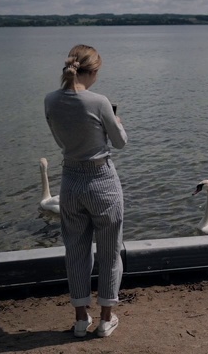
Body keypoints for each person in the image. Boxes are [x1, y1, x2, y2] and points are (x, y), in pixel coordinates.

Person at [44, 44, 128, 338]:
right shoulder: (99, 101)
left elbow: (60, 140)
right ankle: (106, 319)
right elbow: (120, 143)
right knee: (109, 252)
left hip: (70, 180)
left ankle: (81, 320)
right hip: (102, 180)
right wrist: (116, 123)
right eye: (98, 73)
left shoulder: (50, 100)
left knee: (76, 252)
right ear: (91, 72)